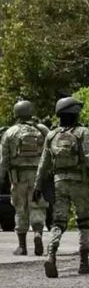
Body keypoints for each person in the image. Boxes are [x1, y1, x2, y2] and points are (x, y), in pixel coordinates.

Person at [36, 97, 89, 278]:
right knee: (83, 222)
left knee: (58, 222)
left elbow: (43, 164)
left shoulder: (51, 135)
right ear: (75, 113)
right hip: (80, 183)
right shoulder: (82, 132)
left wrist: (38, 186)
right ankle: (83, 262)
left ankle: (51, 255)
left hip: (59, 182)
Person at [0, 101, 49, 255]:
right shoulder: (42, 130)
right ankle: (37, 234)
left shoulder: (10, 132)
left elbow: (4, 159)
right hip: (37, 176)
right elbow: (50, 154)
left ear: (16, 113)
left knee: (20, 209)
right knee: (37, 206)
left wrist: (1, 178)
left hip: (18, 177)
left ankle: (22, 246)